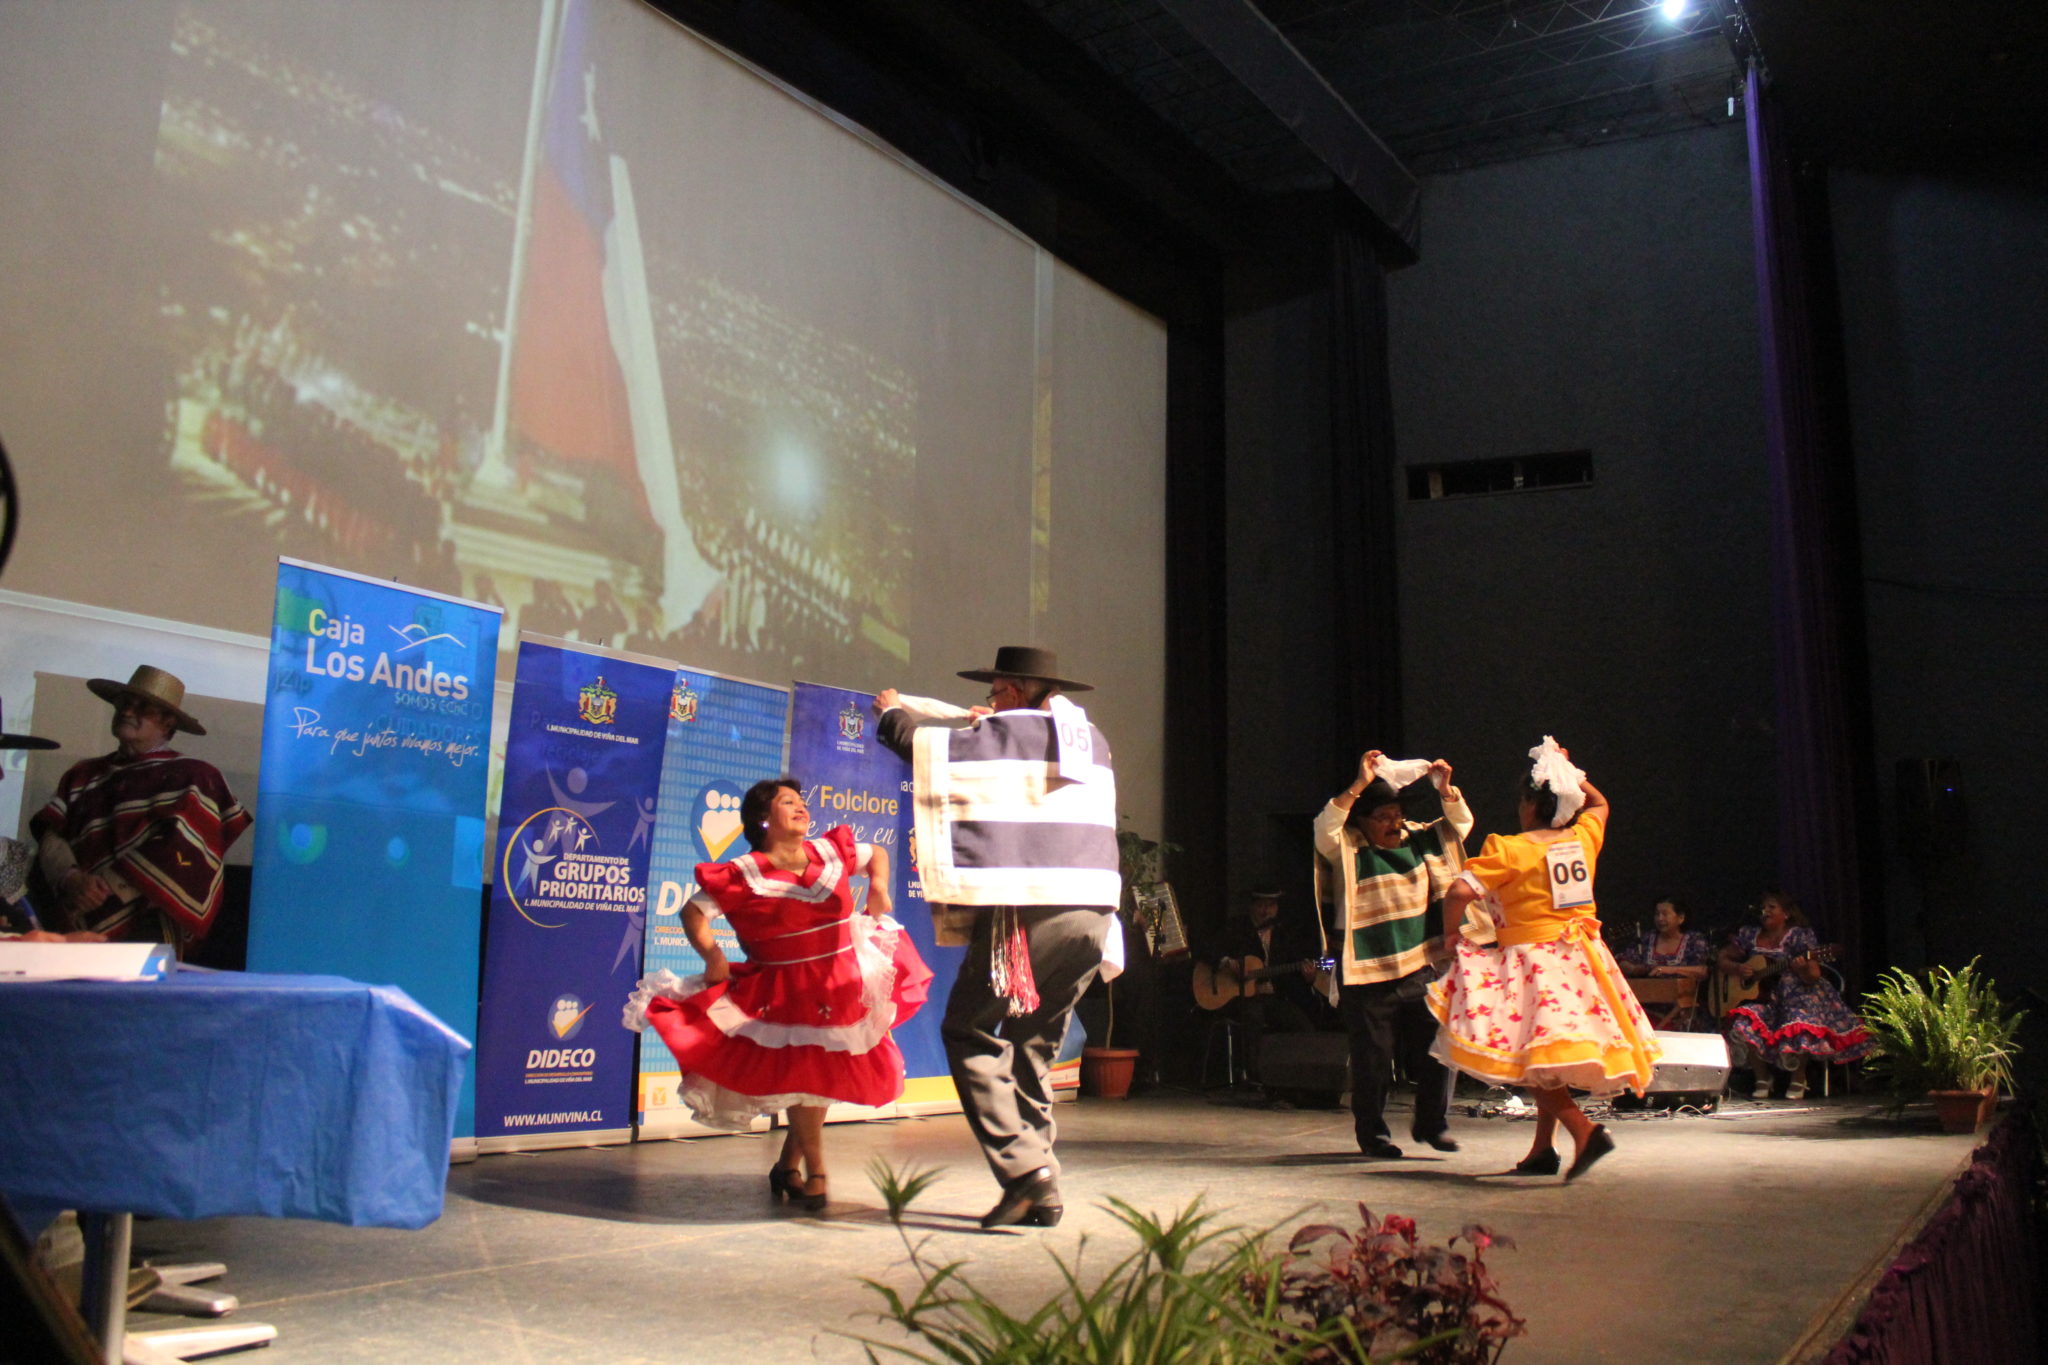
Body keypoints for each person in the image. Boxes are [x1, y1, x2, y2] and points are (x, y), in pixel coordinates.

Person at [874, 645, 1121, 1229]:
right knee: (1035, 1043)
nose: (988, 703)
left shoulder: (1009, 734)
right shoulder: (1090, 740)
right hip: (1093, 913)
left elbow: (924, 750)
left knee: (968, 1027)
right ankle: (1041, 1181)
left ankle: (1024, 1173)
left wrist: (891, 712)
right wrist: (996, 725)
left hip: (1032, 912)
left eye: (995, 693)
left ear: (1013, 691)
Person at [623, 779, 931, 1210]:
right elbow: (693, 911)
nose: (802, 808)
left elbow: (876, 854)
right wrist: (714, 958)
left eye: (803, 802)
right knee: (807, 1078)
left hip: (839, 979)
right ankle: (817, 1173)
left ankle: (788, 1164)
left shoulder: (828, 852)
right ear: (764, 819)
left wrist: (878, 886)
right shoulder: (743, 872)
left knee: (818, 1078)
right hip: (785, 989)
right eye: (789, 802)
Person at [1429, 740, 1661, 1181]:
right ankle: (1542, 1150)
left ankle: (1585, 1131)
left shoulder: (1512, 849)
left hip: (1533, 962)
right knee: (1546, 1055)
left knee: (1529, 1057)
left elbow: (1460, 891)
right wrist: (1568, 771)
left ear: (1532, 803)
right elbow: (1599, 802)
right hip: (1581, 961)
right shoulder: (1581, 837)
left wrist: (1451, 933)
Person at [1313, 750, 1472, 1158]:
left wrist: (1444, 789)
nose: (1393, 823)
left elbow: (1460, 826)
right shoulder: (1347, 848)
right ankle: (1374, 1135)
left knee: (1442, 1044)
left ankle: (1431, 1123)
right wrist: (1360, 784)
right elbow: (1324, 825)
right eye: (1383, 817)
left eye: (1396, 814)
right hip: (1366, 974)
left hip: (1417, 966)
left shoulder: (1421, 838)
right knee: (1372, 1062)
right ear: (1363, 822)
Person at [29, 667, 250, 955]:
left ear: (168, 723)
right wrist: (71, 879)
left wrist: (105, 890)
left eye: (143, 707)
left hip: (146, 921)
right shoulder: (82, 775)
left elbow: (184, 850)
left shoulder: (194, 777)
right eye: (123, 703)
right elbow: (53, 835)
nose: (128, 712)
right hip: (76, 919)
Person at [1720, 892, 1871, 1099]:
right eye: (1764, 907)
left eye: (1772, 907)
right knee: (1742, 1021)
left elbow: (1813, 976)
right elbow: (1722, 958)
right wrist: (1737, 968)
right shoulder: (1750, 934)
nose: (1766, 911)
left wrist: (1801, 968)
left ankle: (1799, 1079)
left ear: (1787, 914)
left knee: (1798, 1021)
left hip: (1800, 992)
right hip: (1765, 997)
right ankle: (1762, 1078)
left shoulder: (1799, 935)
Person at [1210, 886, 1327, 1088]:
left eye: (1271, 906)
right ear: (1252, 907)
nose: (1266, 911)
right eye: (1261, 906)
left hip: (1274, 999)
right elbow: (1206, 948)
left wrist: (1309, 976)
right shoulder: (1237, 928)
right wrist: (1227, 961)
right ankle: (1255, 1075)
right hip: (1239, 999)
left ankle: (1295, 1078)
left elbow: (1294, 971)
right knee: (1254, 1015)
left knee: (1302, 1025)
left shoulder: (1285, 933)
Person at [1616, 895, 1714, 1030]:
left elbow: (1703, 971)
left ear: (1680, 918)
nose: (1660, 918)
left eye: (1665, 914)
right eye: (1657, 914)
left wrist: (1669, 969)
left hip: (1683, 1010)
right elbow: (1622, 963)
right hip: (1646, 1009)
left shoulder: (1694, 940)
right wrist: (1635, 969)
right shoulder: (1646, 939)